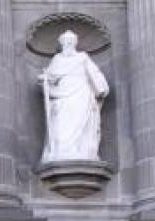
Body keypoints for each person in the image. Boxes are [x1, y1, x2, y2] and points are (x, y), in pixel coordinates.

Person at [38, 30, 109, 163]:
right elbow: (51, 76)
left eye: (71, 41)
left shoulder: (82, 57)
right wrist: (44, 79)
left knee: (81, 121)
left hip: (82, 93)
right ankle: (61, 152)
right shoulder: (57, 59)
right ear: (62, 44)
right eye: (66, 42)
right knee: (61, 123)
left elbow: (94, 73)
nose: (68, 43)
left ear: (75, 43)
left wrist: (101, 87)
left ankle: (82, 151)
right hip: (62, 95)